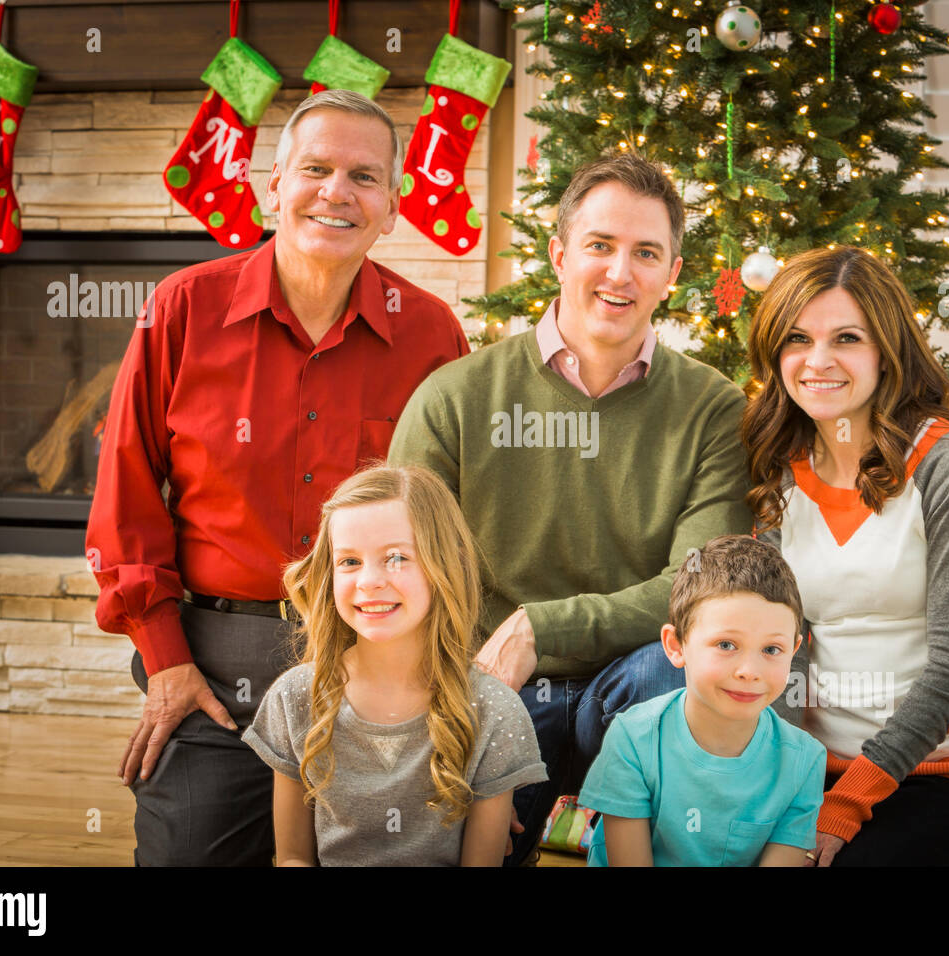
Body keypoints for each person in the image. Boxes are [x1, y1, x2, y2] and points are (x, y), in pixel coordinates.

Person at [86, 89, 469, 866]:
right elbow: (124, 497)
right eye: (316, 169)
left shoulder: (431, 334)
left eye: (364, 177)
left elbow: (447, 523)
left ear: (392, 207)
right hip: (214, 660)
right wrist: (166, 662)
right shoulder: (182, 308)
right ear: (274, 187)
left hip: (374, 657)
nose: (337, 192)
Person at [388, 153, 754, 865]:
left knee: (679, 673)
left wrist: (542, 624)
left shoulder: (712, 409)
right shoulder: (456, 397)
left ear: (672, 275)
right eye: (600, 246)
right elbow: (400, 566)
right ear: (559, 254)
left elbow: (699, 586)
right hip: (492, 684)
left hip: (634, 687)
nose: (621, 273)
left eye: (646, 253)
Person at [743, 245, 949, 866]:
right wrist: (798, 790)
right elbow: (781, 643)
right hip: (820, 775)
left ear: (886, 351)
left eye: (846, 338)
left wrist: (849, 803)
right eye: (797, 338)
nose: (818, 361)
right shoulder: (779, 474)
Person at [242, 465, 547, 865]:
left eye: (397, 557)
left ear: (445, 566)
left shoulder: (494, 710)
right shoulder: (295, 696)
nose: (369, 580)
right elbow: (293, 858)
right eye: (349, 562)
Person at [578, 535, 825, 866]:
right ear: (676, 645)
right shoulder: (633, 740)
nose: (749, 671)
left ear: (793, 652)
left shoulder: (804, 761)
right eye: (726, 644)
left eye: (771, 650)